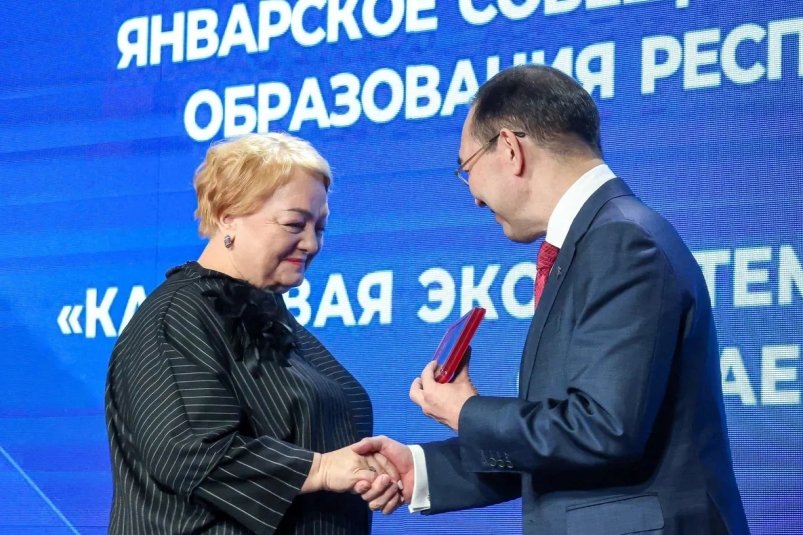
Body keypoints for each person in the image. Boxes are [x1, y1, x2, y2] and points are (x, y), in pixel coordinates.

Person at [354, 65, 750, 534]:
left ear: (510, 149)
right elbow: (565, 442)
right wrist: (421, 470)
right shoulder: (600, 239)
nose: (474, 198)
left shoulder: (621, 242)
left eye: (467, 169)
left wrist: (466, 412)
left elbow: (603, 430)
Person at [105, 133, 401, 535]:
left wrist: (369, 470)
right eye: (294, 224)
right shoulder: (177, 315)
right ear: (228, 216)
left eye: (320, 227)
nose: (311, 243)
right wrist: (321, 469)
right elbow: (189, 452)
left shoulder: (270, 317)